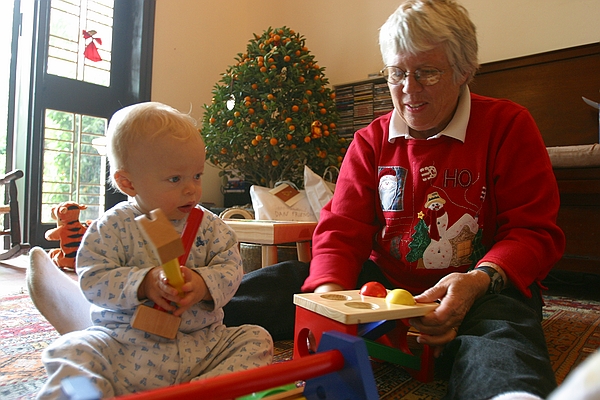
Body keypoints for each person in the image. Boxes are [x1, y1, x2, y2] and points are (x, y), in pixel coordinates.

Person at [225, 1, 565, 399]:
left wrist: (478, 281)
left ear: (464, 71)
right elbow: (342, 228)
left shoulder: (508, 126)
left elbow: (532, 231)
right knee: (284, 282)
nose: (408, 89)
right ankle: (174, 318)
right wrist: (330, 299)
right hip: (382, 287)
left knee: (502, 333)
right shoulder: (370, 140)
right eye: (397, 73)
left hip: (479, 288)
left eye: (427, 73)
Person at [37, 102, 273, 398]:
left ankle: (200, 392)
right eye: (175, 179)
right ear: (128, 182)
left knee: (256, 339)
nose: (191, 189)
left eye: (197, 176)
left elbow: (231, 268)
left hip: (202, 348)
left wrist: (202, 285)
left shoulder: (212, 227)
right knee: (68, 352)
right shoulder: (112, 226)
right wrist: (144, 283)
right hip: (125, 347)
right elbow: (93, 279)